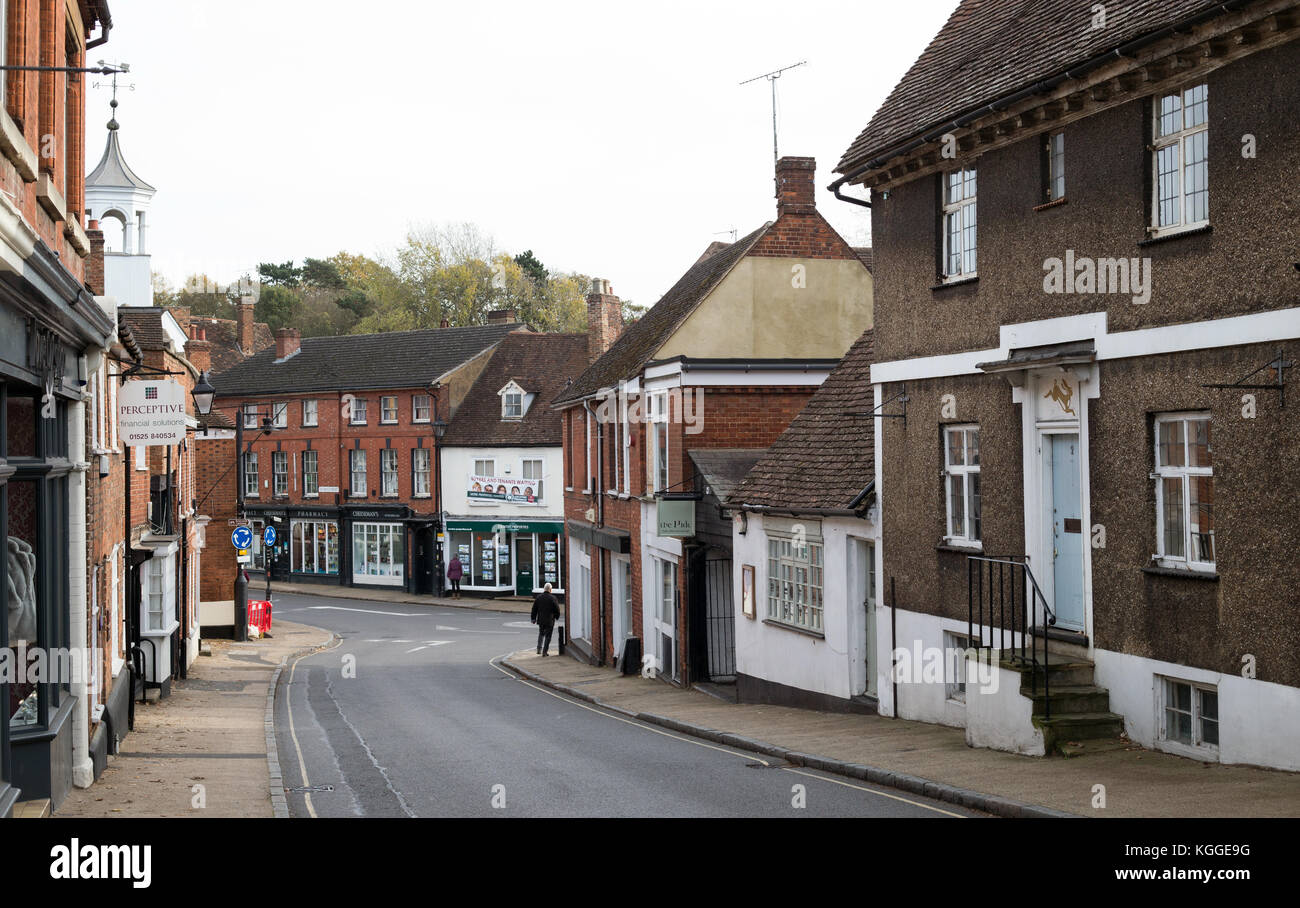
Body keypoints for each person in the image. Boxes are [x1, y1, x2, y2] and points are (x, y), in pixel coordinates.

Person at [531, 583, 561, 656]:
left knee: (541, 634)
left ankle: (539, 649)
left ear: (544, 589)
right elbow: (557, 609)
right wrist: (557, 616)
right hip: (550, 620)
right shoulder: (553, 598)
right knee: (548, 636)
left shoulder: (539, 597)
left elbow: (534, 609)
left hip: (541, 620)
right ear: (550, 589)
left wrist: (533, 618)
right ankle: (544, 652)